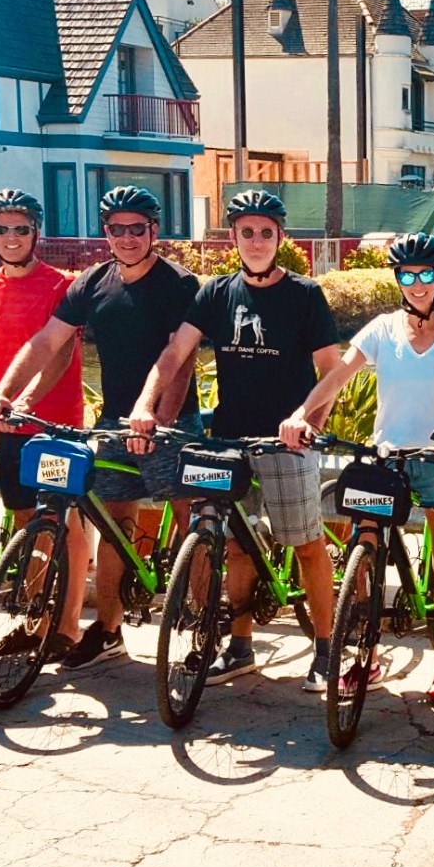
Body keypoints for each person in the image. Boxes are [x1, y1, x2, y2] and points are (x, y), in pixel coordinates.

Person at [0, 186, 202, 669]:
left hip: (171, 422)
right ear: (106, 233)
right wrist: (5, 393)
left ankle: (203, 624)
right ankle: (108, 630)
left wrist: (161, 421)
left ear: (153, 232)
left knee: (191, 523)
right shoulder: (92, 283)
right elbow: (44, 342)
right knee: (114, 523)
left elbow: (179, 362)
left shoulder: (179, 283)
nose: (127, 237)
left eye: (136, 228)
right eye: (116, 229)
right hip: (115, 421)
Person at [129, 190, 344, 693]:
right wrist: (145, 405)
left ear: (280, 238)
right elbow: (174, 352)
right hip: (226, 439)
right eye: (246, 232)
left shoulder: (304, 294)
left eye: (265, 232)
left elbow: (331, 372)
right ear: (233, 238)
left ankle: (326, 649)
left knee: (308, 544)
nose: (256, 241)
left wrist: (305, 422)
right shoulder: (216, 293)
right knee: (235, 545)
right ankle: (241, 646)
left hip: (285, 442)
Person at [279, 232, 434, 702]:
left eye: (426, 274)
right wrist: (300, 416)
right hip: (387, 462)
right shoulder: (383, 329)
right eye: (408, 275)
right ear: (398, 279)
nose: (417, 283)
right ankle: (365, 658)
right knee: (360, 557)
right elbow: (337, 376)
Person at [0, 191, 89, 648]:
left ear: (36, 232)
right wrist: (3, 403)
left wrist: (26, 400)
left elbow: (61, 354)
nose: (12, 237)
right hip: (8, 426)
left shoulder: (63, 285)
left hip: (55, 423)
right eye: (2, 229)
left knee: (65, 520)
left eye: (21, 228)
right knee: (25, 521)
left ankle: (68, 627)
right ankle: (34, 620)